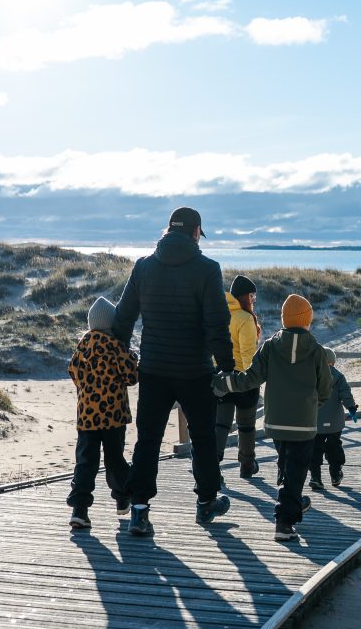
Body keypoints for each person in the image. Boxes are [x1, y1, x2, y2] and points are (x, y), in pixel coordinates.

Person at [112, 206, 235, 535]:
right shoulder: (208, 269)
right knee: (204, 438)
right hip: (195, 371)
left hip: (153, 369)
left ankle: (139, 510)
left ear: (168, 230)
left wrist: (121, 354)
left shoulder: (144, 267)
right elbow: (217, 324)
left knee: (148, 440)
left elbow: (123, 316)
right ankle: (206, 501)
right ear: (196, 232)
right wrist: (227, 367)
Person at [213, 294, 331, 542]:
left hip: (276, 421)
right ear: (307, 320)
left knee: (287, 464)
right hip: (304, 423)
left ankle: (294, 500)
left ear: (284, 319)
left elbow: (250, 378)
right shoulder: (317, 351)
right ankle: (284, 522)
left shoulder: (269, 346)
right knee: (297, 470)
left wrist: (223, 383)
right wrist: (312, 405)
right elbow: (324, 390)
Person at [66, 297, 138, 529]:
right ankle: (122, 497)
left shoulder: (81, 348)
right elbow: (131, 377)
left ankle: (80, 509)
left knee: (86, 462)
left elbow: (74, 374)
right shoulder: (115, 347)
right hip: (113, 416)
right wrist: (132, 357)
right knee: (115, 459)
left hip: (87, 417)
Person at [215, 275, 262, 479]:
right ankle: (246, 464)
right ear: (243, 297)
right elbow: (248, 354)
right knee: (246, 425)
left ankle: (213, 464)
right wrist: (250, 378)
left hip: (222, 376)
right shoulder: (245, 319)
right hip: (243, 377)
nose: (253, 299)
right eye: (251, 295)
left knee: (221, 424)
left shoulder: (221, 314)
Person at [309, 347, 358, 490]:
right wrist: (352, 409)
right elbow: (346, 394)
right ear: (333, 362)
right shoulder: (339, 376)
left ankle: (315, 478)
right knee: (334, 447)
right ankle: (336, 474)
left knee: (315, 449)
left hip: (315, 421)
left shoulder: (311, 375)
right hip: (335, 421)